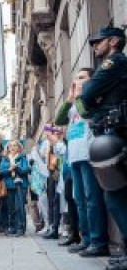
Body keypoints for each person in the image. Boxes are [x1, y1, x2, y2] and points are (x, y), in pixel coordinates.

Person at [76, 27, 127, 270]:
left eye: (99, 42)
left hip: (116, 135)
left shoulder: (114, 62)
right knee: (114, 195)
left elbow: (87, 93)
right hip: (111, 135)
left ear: (114, 41)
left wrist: (92, 95)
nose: (95, 46)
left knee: (115, 195)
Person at [56, 68, 109, 255]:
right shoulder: (74, 103)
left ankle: (98, 241)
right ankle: (86, 239)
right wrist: (70, 98)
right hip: (74, 157)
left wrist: (79, 96)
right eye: (76, 78)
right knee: (79, 200)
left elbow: (86, 114)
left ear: (90, 80)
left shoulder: (92, 97)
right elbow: (59, 119)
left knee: (92, 199)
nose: (77, 81)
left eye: (81, 78)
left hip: (89, 155)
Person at [0, 140, 29, 237]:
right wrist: (9, 169)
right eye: (10, 146)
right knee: (11, 207)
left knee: (19, 207)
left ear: (19, 147)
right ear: (7, 148)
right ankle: (13, 227)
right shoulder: (5, 159)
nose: (12, 147)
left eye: (15, 145)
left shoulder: (23, 158)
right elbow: (1, 171)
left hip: (21, 185)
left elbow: (26, 170)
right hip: (9, 186)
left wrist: (17, 168)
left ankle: (21, 228)